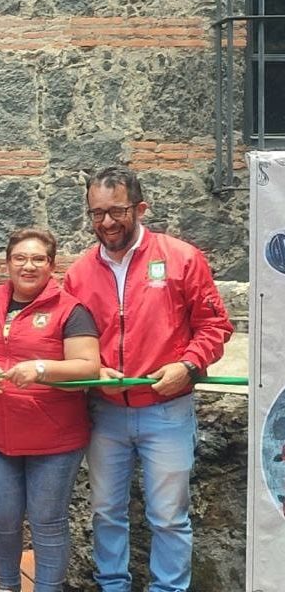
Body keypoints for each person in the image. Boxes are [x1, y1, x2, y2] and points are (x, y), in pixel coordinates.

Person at [63, 166, 233, 592]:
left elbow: (215, 326)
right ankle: (113, 586)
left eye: (116, 211)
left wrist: (189, 367)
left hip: (167, 410)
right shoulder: (78, 273)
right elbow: (68, 339)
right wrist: (93, 371)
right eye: (96, 213)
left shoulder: (181, 257)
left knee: (170, 517)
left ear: (140, 208)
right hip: (105, 413)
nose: (106, 222)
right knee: (105, 511)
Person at [0, 228, 100, 592]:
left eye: (37, 259)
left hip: (55, 439)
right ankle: (6, 586)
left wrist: (41, 368)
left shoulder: (72, 310)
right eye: (20, 258)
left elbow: (88, 368)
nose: (28, 266)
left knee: (47, 521)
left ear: (51, 265)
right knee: (0, 519)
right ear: (7, 263)